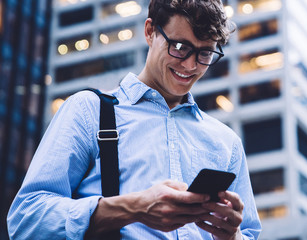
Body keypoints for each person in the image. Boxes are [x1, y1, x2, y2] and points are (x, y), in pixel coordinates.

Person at [7, 0, 262, 239]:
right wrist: (136, 207)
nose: (191, 65)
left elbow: (249, 233)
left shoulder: (226, 142)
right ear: (150, 31)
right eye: (180, 47)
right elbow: (26, 220)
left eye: (205, 53)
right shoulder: (88, 111)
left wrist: (233, 235)